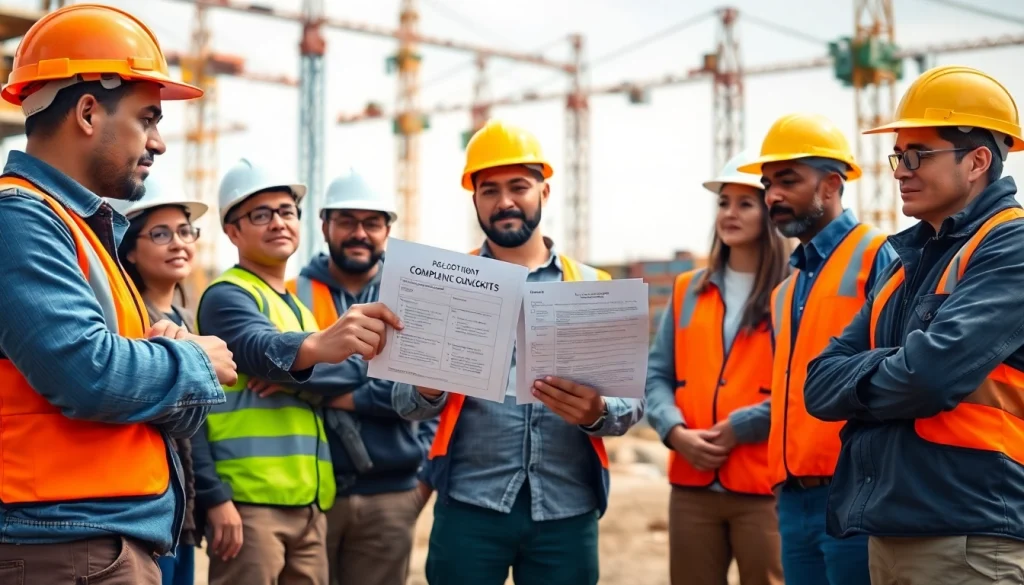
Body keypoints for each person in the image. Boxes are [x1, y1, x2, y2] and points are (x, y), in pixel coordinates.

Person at [0, 4, 236, 584]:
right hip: (65, 544)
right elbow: (90, 374)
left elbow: (158, 406)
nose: (157, 142)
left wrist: (165, 365)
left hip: (91, 541)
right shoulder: (20, 219)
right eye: (148, 118)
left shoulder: (80, 229)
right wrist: (191, 358)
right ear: (86, 111)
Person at [393, 119, 645, 585]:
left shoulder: (594, 287)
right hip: (470, 505)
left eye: (519, 187)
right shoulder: (445, 283)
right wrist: (427, 384)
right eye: (489, 190)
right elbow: (405, 404)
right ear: (475, 201)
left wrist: (596, 410)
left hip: (566, 510)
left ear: (544, 193)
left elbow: (631, 406)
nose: (504, 201)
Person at [804, 65, 1024, 584]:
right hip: (893, 528)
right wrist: (898, 367)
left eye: (916, 155)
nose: (899, 170)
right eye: (897, 155)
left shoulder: (1010, 245)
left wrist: (879, 372)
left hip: (973, 533)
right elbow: (818, 384)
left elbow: (929, 378)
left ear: (977, 161)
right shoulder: (903, 260)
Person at [192, 158, 404, 585]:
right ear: (232, 231)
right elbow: (258, 346)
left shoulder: (297, 307)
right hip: (251, 500)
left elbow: (343, 368)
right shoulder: (225, 296)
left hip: (308, 500)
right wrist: (316, 349)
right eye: (260, 214)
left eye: (286, 212)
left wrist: (301, 367)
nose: (278, 223)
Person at [734, 112, 898, 585]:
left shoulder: (877, 254)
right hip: (791, 497)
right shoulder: (786, 289)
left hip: (855, 493)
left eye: (787, 181)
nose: (773, 196)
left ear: (830, 184)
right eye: (768, 184)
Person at [286, 168, 437, 585]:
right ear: (325, 226)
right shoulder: (291, 292)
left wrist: (420, 482)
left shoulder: (414, 297)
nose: (359, 233)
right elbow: (283, 371)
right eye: (347, 221)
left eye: (372, 223)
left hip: (392, 494)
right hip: (311, 495)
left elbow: (429, 390)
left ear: (388, 229)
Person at [646, 149, 789, 585]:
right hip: (691, 485)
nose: (729, 213)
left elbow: (800, 386)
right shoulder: (688, 289)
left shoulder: (793, 289)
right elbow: (657, 375)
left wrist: (740, 427)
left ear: (771, 212)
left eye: (745, 203)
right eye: (723, 203)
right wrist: (674, 432)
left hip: (765, 488)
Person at [111, 178, 210, 585]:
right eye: (161, 234)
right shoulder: (130, 320)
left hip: (180, 509)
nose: (178, 243)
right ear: (130, 249)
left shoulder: (186, 321)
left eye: (185, 231)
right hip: (147, 507)